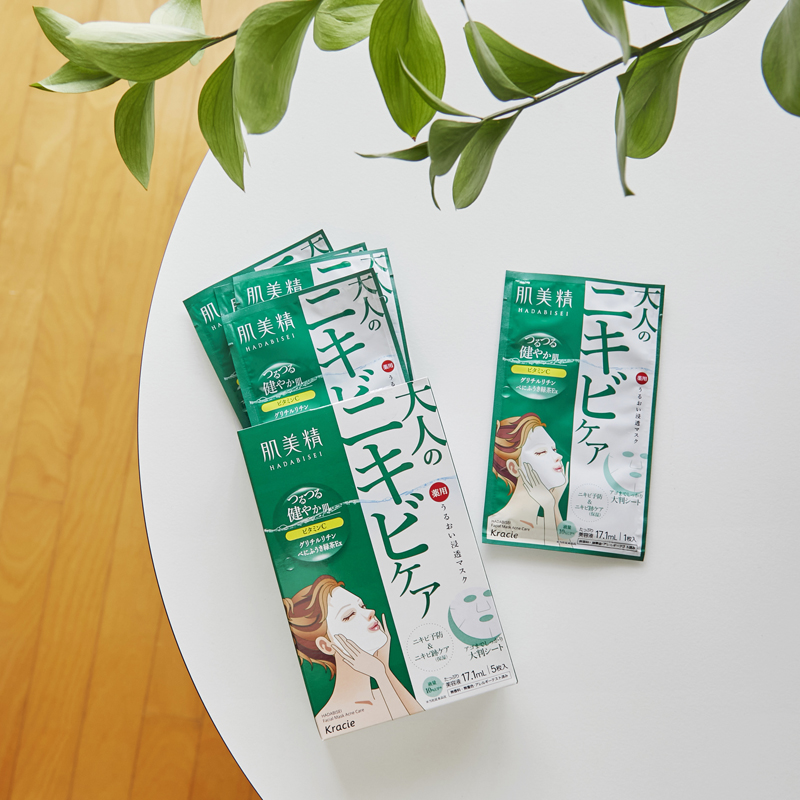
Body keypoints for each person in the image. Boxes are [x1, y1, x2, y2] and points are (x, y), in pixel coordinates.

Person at [283, 576, 422, 737]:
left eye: (362, 606)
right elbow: (407, 733)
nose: (370, 612)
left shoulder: (384, 691)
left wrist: (384, 669)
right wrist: (380, 675)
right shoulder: (332, 720)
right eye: (349, 615)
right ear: (326, 646)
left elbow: (421, 723)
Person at [487, 412, 570, 545]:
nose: (559, 456)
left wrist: (553, 505)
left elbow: (565, 547)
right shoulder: (497, 525)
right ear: (514, 468)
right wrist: (549, 508)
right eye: (541, 452)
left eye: (554, 450)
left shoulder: (546, 521)